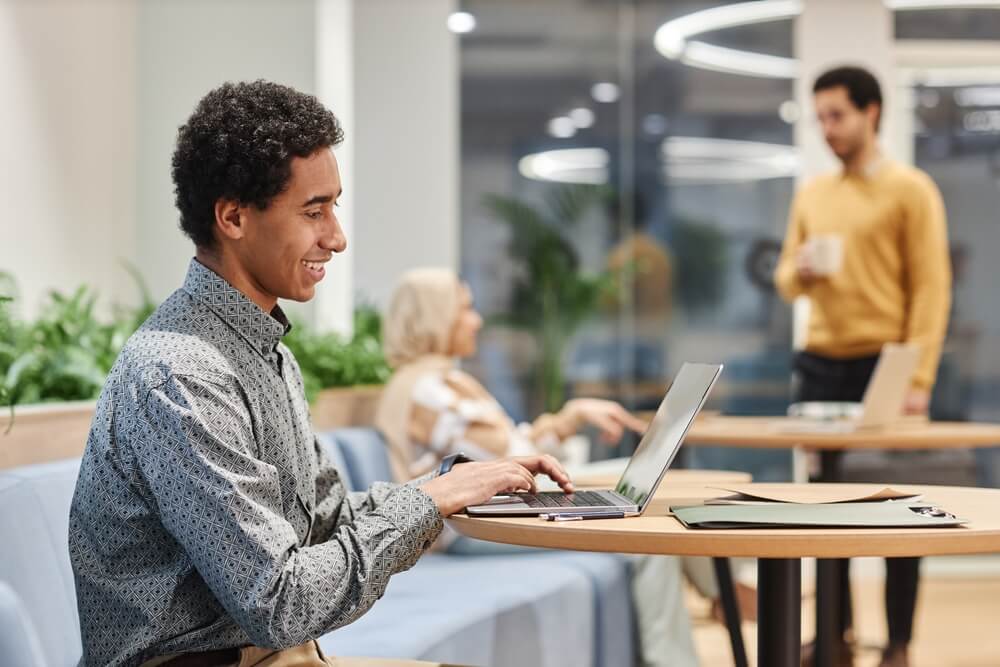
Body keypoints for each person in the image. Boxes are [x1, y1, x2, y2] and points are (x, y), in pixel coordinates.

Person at [68, 80, 572, 667]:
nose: (336, 236)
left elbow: (327, 519)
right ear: (233, 216)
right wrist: (433, 500)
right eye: (314, 211)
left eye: (335, 206)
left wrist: (460, 484)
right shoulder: (181, 375)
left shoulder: (266, 354)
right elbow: (280, 602)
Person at [375, 267, 749, 667]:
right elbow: (511, 456)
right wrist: (565, 422)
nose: (477, 320)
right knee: (645, 542)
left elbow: (507, 452)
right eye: (466, 308)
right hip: (466, 527)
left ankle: (725, 592)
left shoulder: (441, 381)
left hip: (493, 508)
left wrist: (568, 418)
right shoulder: (427, 390)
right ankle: (721, 601)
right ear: (436, 316)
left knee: (654, 492)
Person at [774, 66, 951, 667]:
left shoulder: (911, 189)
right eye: (819, 116)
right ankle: (834, 636)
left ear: (871, 112)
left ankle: (898, 642)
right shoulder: (813, 195)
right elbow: (782, 282)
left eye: (837, 115)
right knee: (824, 510)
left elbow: (931, 290)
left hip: (887, 367)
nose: (827, 128)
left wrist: (918, 379)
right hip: (821, 365)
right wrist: (797, 272)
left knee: (903, 511)